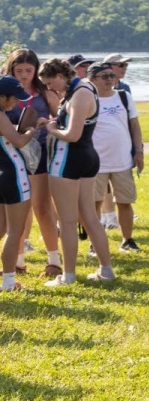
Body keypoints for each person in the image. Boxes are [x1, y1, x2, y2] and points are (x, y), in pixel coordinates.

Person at [40, 58, 115, 287]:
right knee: (90, 217)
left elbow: (72, 135)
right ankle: (106, 270)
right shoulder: (85, 86)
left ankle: (68, 276)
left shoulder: (79, 93)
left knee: (68, 220)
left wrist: (52, 129)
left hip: (68, 160)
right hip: (86, 157)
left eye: (51, 82)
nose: (50, 88)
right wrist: (56, 120)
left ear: (61, 76)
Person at [3, 48, 59, 277]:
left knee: (42, 207)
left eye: (29, 70)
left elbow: (60, 117)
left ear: (36, 70)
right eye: (19, 70)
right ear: (11, 69)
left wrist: (47, 122)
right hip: (10, 158)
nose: (24, 75)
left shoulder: (44, 92)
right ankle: (17, 263)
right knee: (17, 214)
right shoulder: (4, 89)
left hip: (40, 156)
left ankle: (53, 260)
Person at [89, 62, 145, 254]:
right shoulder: (88, 99)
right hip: (96, 162)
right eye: (105, 76)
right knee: (94, 204)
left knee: (124, 201)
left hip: (122, 160)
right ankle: (94, 244)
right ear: (92, 79)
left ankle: (127, 240)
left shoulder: (124, 96)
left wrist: (139, 151)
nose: (110, 80)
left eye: (112, 76)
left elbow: (135, 125)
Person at [0, 75, 36, 293]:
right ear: (2, 96)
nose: (17, 103)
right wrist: (31, 130)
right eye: (14, 99)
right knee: (15, 231)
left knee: (1, 229)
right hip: (13, 174)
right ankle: (9, 282)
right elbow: (19, 141)